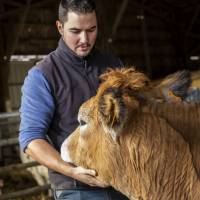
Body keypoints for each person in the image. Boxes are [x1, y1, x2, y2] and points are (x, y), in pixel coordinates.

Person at [19, 0, 129, 199]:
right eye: (75, 31)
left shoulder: (113, 65)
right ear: (60, 27)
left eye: (91, 29)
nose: (85, 39)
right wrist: (71, 171)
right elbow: (31, 140)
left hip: (122, 183)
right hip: (77, 189)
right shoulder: (43, 75)